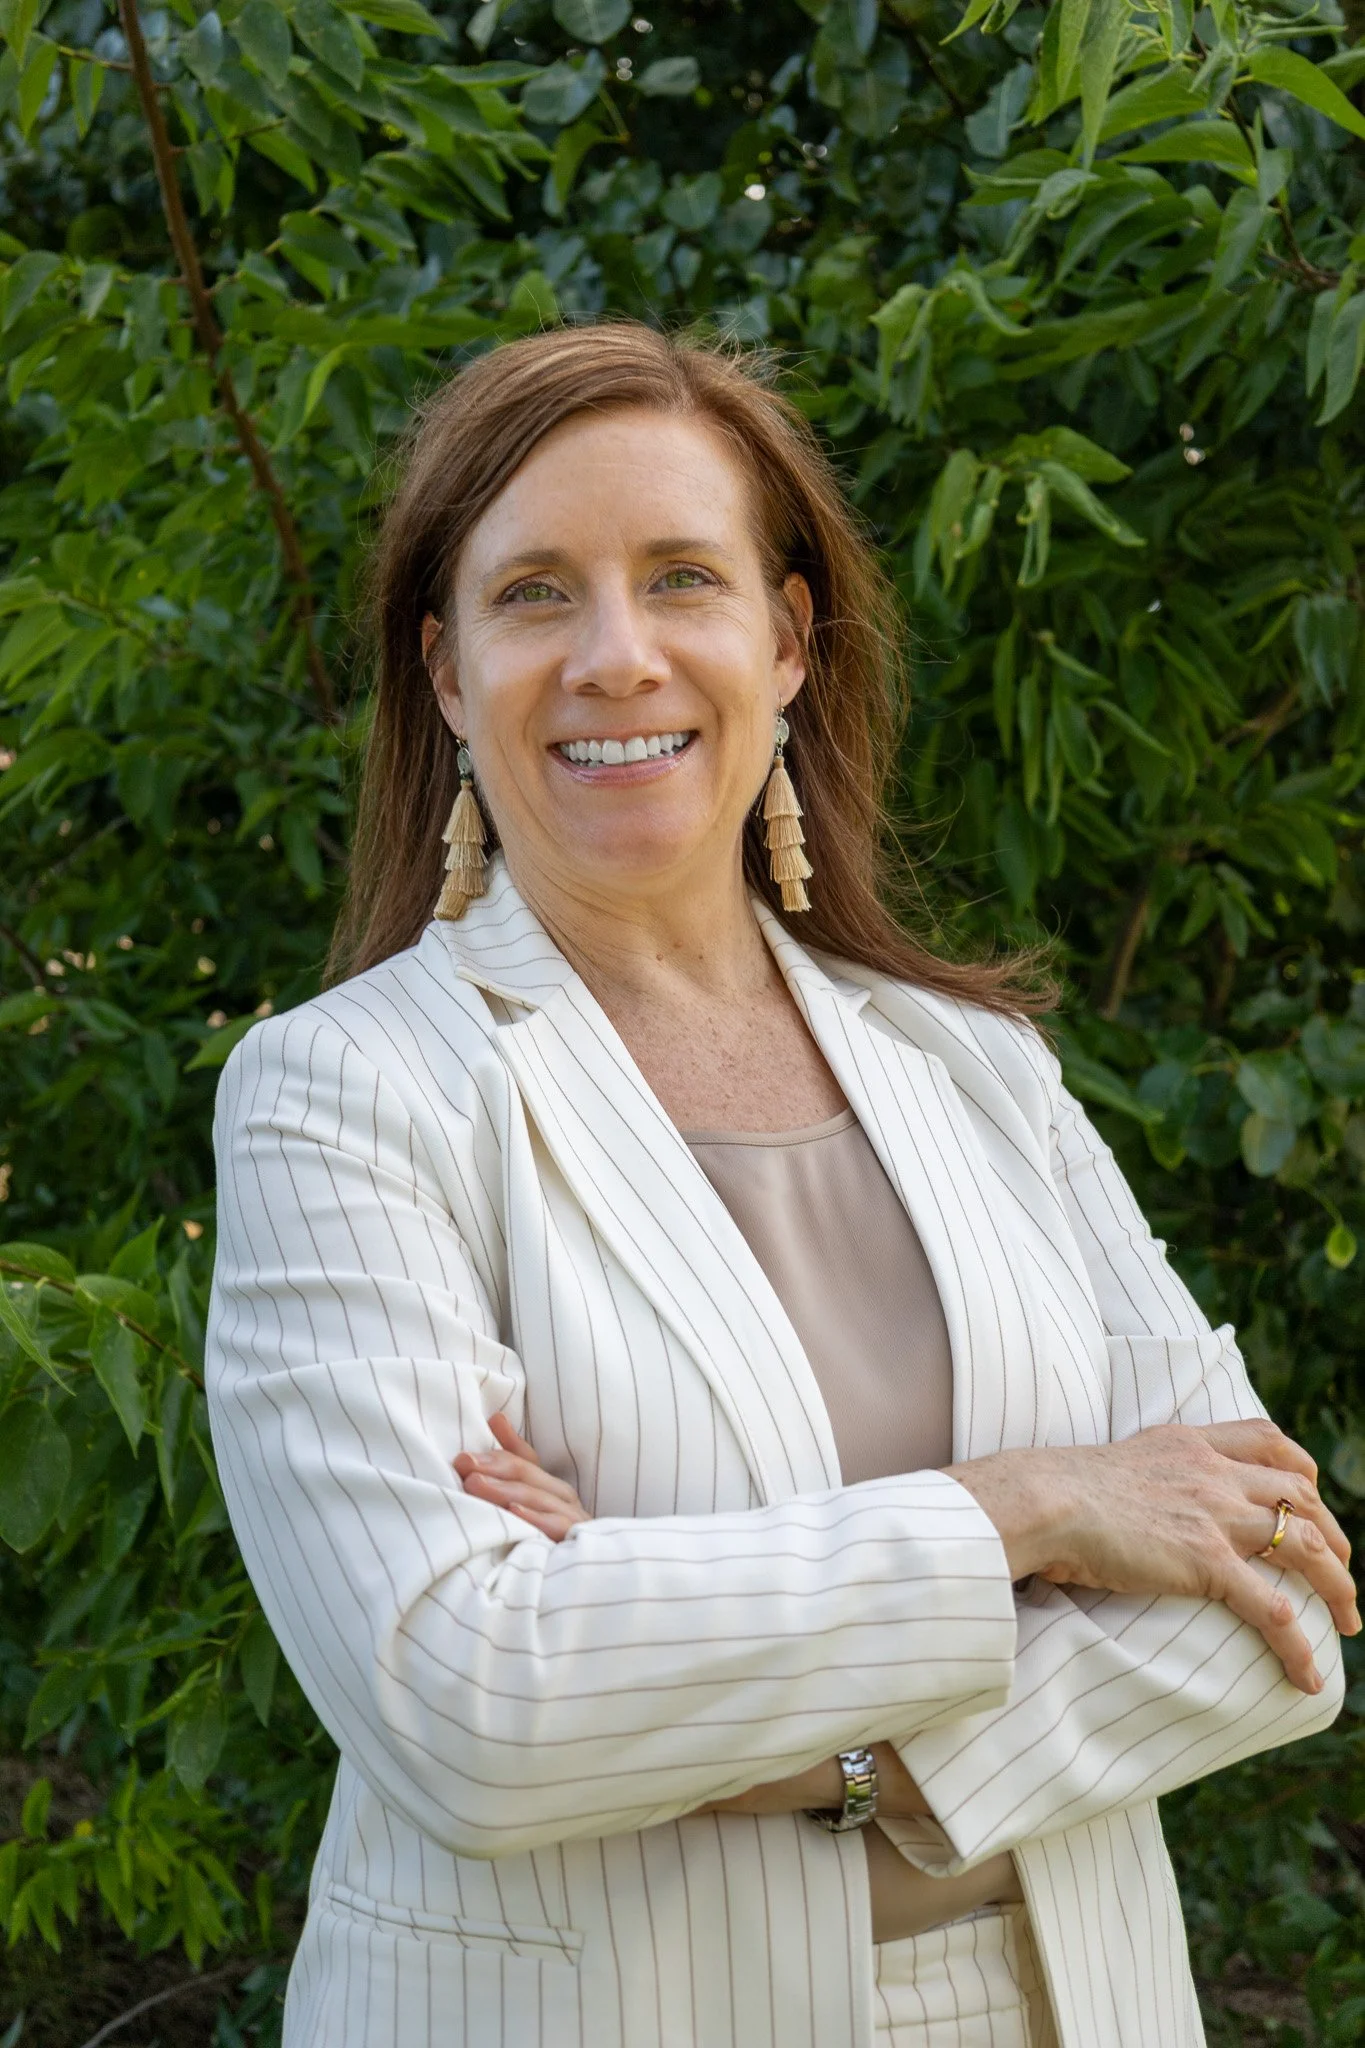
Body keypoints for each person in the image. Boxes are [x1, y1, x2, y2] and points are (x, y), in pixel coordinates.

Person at [205, 321, 1356, 2048]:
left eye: (684, 578)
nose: (617, 658)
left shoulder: (973, 1067)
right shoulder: (346, 1094)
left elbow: (1275, 1598)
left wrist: (748, 1719)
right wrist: (1037, 1509)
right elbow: (474, 1699)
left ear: (789, 638)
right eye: (535, 595)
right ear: (444, 673)